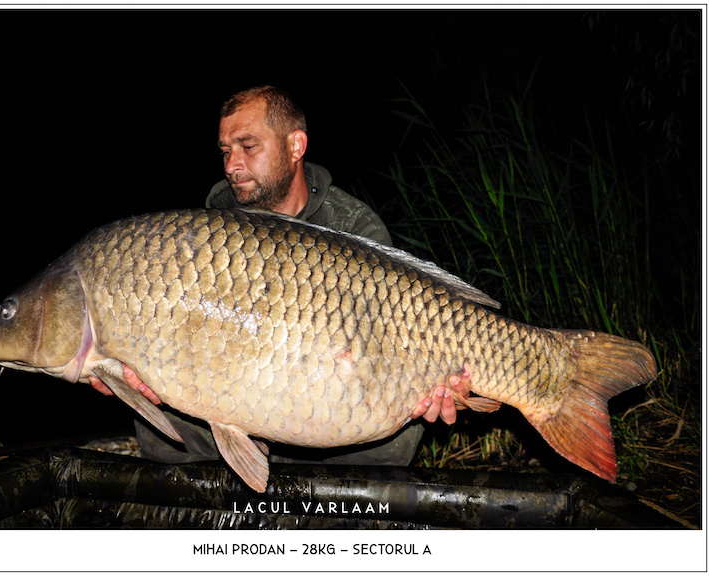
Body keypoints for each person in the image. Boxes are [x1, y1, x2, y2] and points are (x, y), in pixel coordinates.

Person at [89, 86, 470, 467]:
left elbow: (395, 338)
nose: (231, 165)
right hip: (234, 390)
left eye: (248, 146)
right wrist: (123, 365)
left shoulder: (353, 225)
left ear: (296, 146)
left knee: (401, 421)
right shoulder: (198, 238)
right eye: (225, 151)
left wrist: (435, 382)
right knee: (163, 406)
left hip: (324, 394)